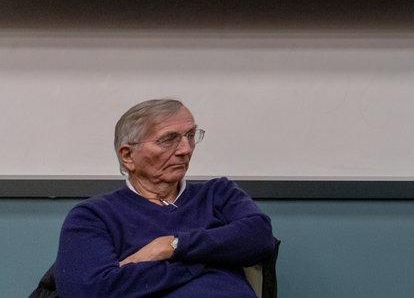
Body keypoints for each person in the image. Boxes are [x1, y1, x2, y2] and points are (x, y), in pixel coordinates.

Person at [55, 99, 275, 297]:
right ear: (128, 156)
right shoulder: (94, 216)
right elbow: (90, 292)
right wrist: (205, 257)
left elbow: (260, 236)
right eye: (168, 139)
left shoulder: (217, 192)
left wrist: (171, 245)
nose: (186, 149)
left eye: (191, 135)